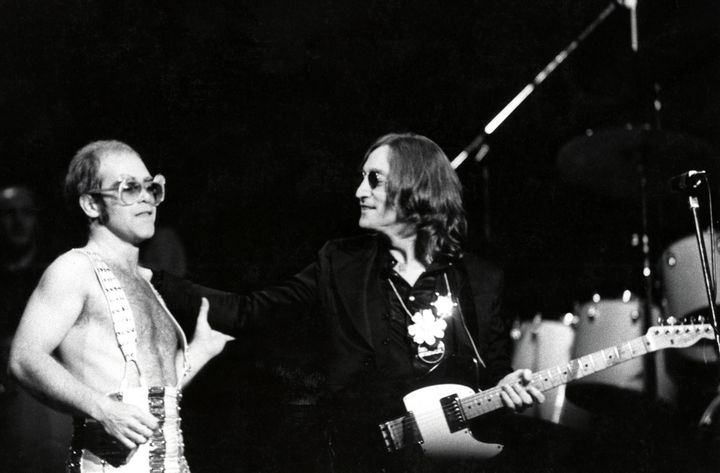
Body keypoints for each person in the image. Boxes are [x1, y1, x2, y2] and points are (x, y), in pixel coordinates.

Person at [153, 133, 547, 472]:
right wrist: (152, 280)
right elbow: (248, 310)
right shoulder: (341, 264)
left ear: (415, 186)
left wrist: (507, 385)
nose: (360, 191)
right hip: (360, 458)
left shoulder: (478, 280)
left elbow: (493, 370)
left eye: (374, 180)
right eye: (362, 179)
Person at [8, 140, 233, 472]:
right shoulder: (75, 269)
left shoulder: (147, 283)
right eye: (129, 188)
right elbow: (25, 358)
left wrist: (201, 349)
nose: (146, 197)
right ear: (91, 205)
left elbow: (153, 394)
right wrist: (103, 409)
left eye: (151, 187)